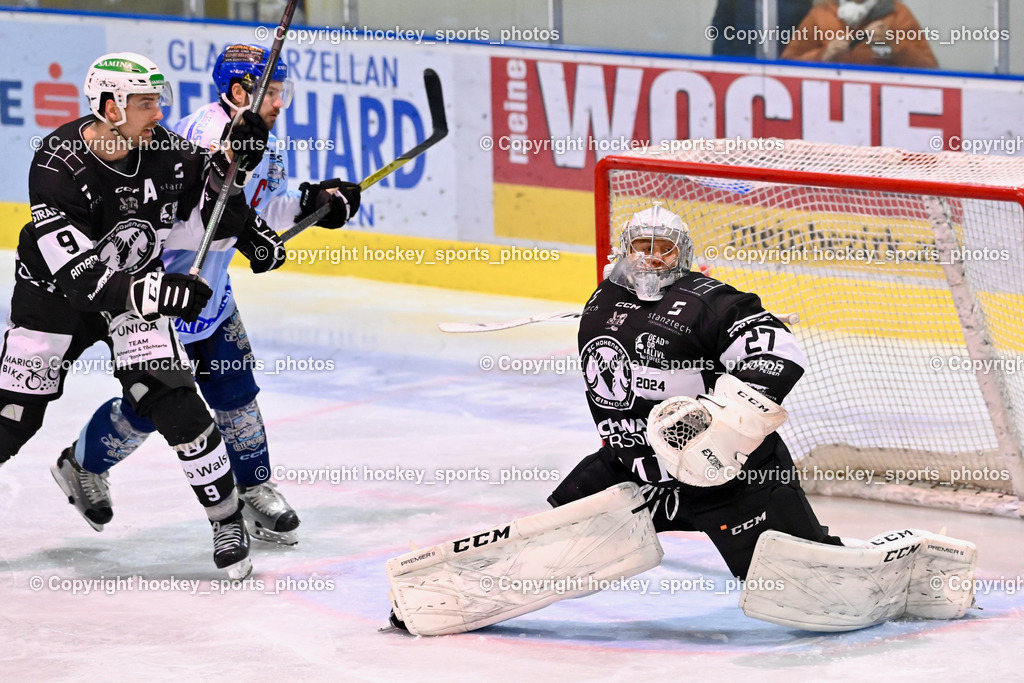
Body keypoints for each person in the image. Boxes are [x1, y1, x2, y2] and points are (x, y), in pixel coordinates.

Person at [68, 44, 361, 546]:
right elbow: (192, 215)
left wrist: (316, 205)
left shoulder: (262, 139)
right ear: (237, 91)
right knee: (146, 411)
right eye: (269, 91)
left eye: (279, 90)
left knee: (237, 396)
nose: (279, 102)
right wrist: (246, 232)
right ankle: (81, 464)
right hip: (159, 300)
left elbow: (261, 210)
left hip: (213, 296)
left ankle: (253, 487)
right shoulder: (202, 133)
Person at [0, 51, 276, 578]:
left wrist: (238, 167)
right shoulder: (58, 163)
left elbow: (216, 195)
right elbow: (80, 276)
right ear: (109, 106)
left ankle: (226, 519)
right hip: (54, 299)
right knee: (12, 419)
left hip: (136, 296)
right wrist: (158, 294)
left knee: (173, 400)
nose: (158, 114)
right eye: (146, 103)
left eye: (157, 102)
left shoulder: (164, 149)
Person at [780, 0, 938, 68]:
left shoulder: (898, 14)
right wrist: (823, 56)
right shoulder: (820, 14)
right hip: (829, 104)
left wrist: (893, 47)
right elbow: (786, 66)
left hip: (883, 106)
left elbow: (929, 67)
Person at [710, 0, 814, 58]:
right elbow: (721, 28)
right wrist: (726, 62)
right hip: (742, 66)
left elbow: (807, 32)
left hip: (786, 70)